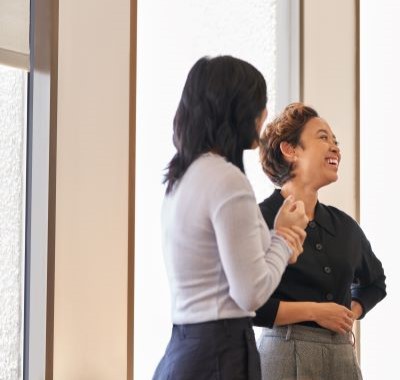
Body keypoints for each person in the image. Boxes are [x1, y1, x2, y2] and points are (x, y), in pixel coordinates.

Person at [153, 55, 309, 380]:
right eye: (259, 104)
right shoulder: (227, 179)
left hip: (184, 348)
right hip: (220, 354)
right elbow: (251, 293)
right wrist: (283, 238)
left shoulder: (181, 176)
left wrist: (279, 238)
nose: (265, 115)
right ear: (239, 110)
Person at [254, 103, 387, 380]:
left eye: (336, 142)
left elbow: (375, 281)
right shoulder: (259, 219)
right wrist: (316, 312)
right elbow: (248, 305)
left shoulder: (345, 226)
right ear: (290, 150)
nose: (336, 148)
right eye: (323, 137)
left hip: (341, 354)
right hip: (281, 352)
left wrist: (348, 312)